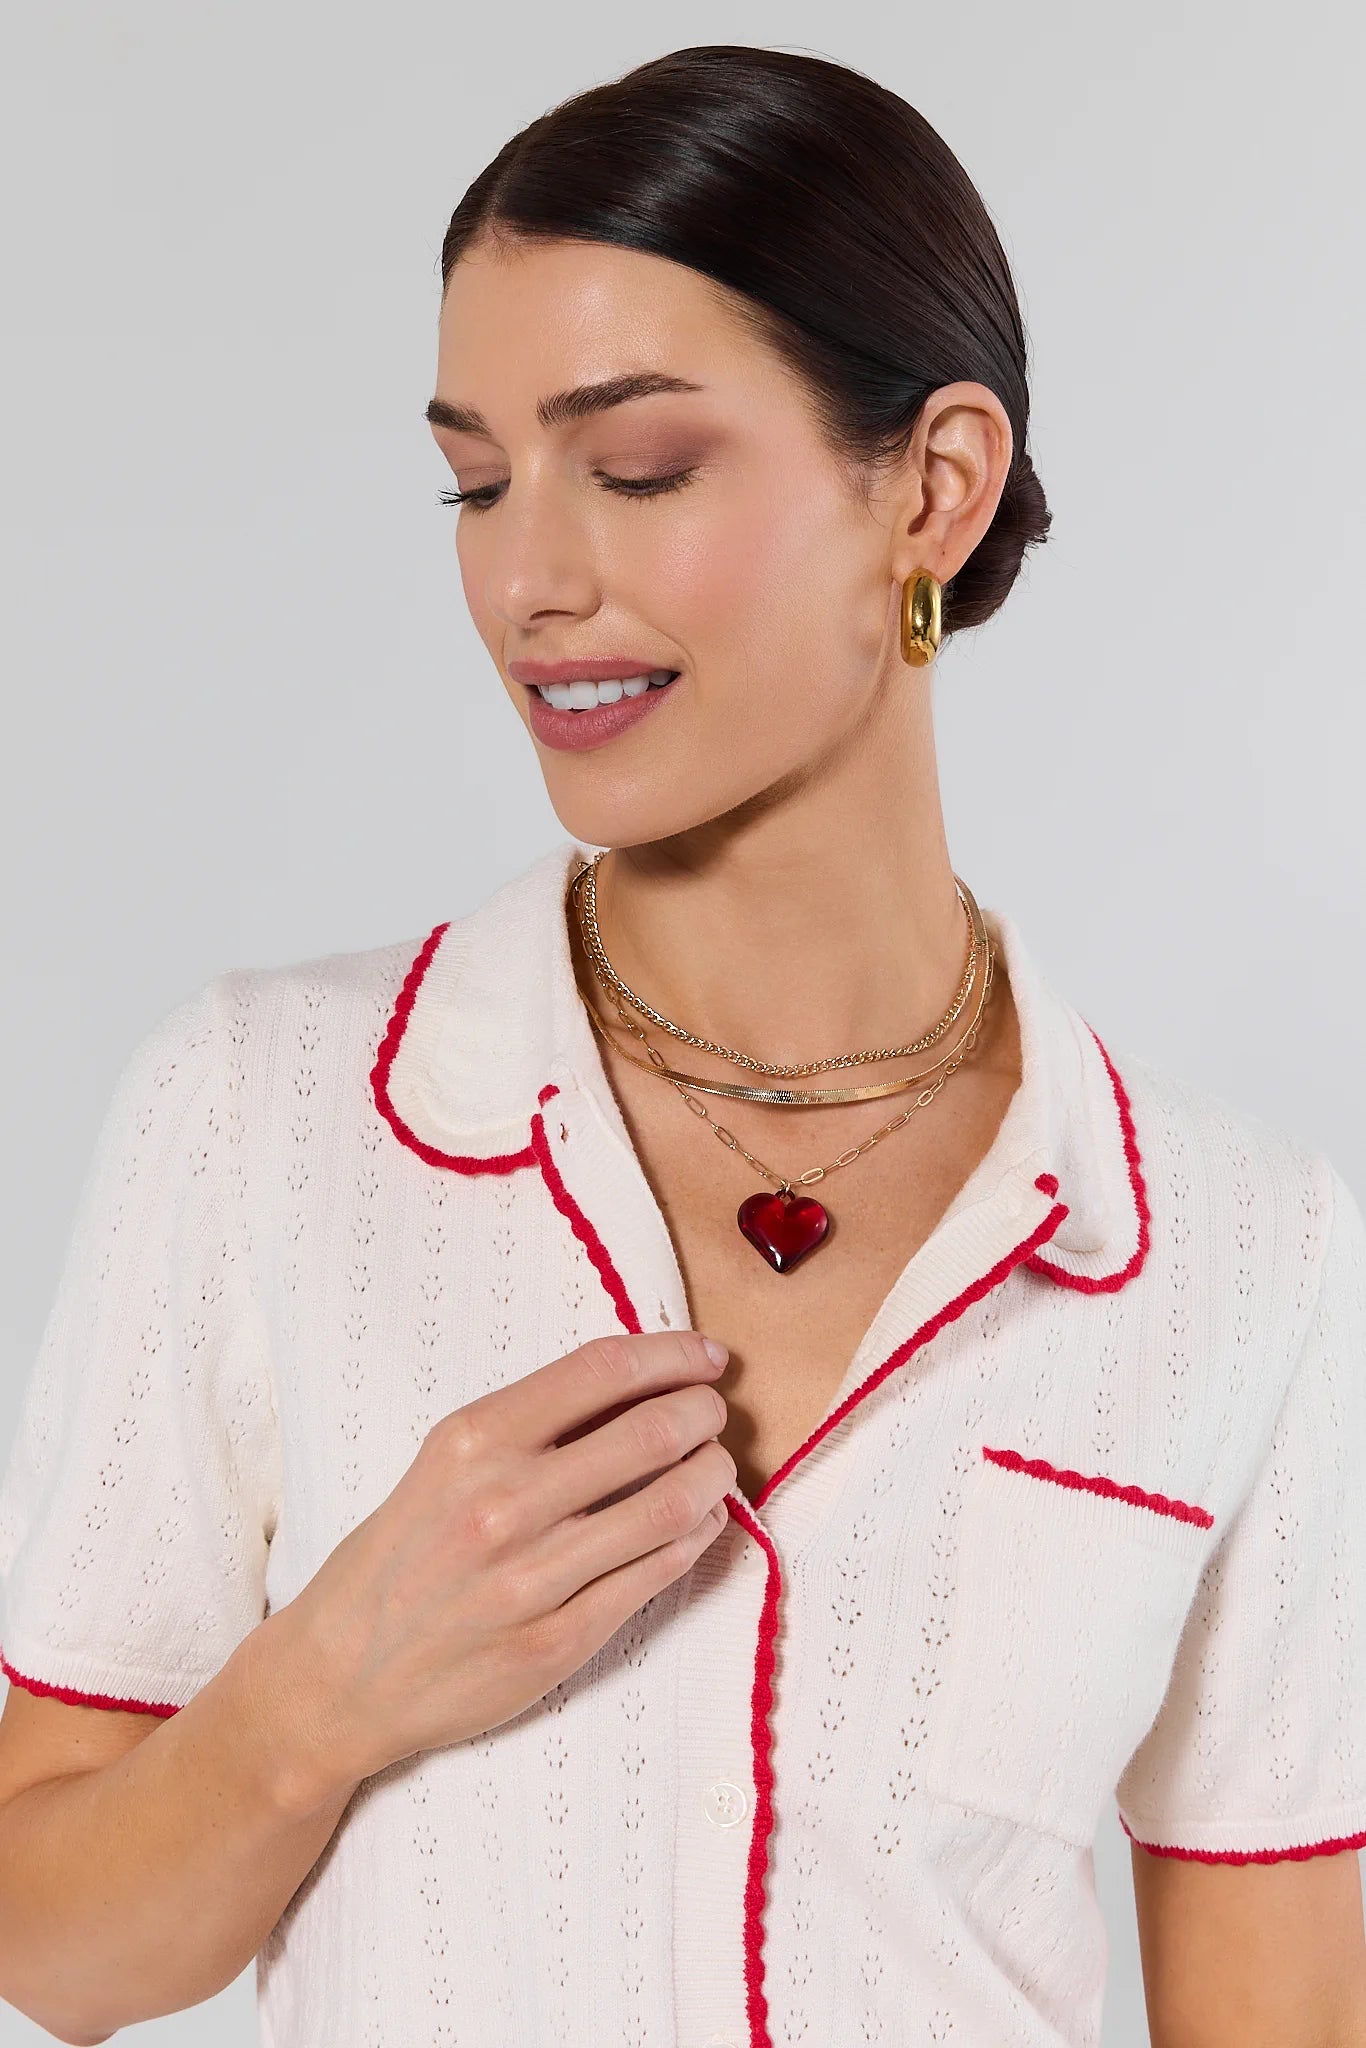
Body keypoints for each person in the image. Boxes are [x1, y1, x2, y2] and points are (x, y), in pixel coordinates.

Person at [0, 39, 1363, 2048]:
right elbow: (52, 1943)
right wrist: (331, 1682)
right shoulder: (259, 1116)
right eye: (474, 479)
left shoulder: (1235, 1254)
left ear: (932, 483)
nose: (526, 578)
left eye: (632, 466)